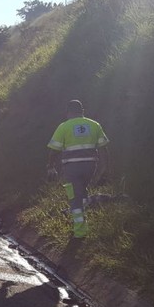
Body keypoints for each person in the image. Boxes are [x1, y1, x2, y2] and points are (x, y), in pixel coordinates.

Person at [46, 100, 109, 238]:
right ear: (82, 111)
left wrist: (50, 166)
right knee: (81, 191)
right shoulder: (94, 125)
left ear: (68, 112)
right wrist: (103, 168)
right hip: (90, 167)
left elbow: (54, 150)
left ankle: (80, 232)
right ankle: (85, 205)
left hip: (72, 168)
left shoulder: (64, 127)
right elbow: (103, 149)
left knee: (74, 198)